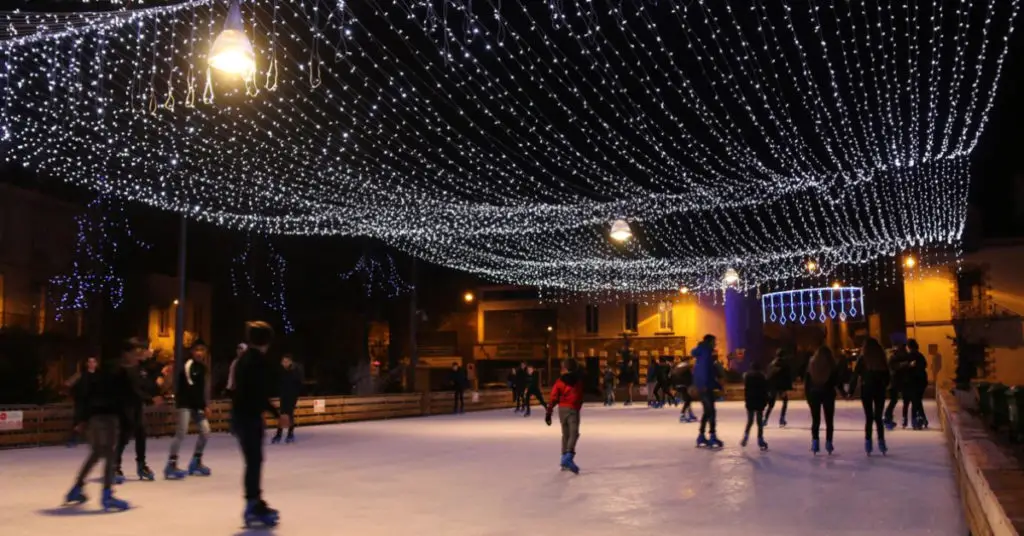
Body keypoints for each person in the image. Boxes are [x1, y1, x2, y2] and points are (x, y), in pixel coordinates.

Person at [232, 321, 287, 527]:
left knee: (253, 461)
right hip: (249, 418)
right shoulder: (257, 362)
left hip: (241, 416)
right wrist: (276, 413)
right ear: (267, 341)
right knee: (254, 461)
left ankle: (253, 501)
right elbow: (258, 393)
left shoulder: (243, 360)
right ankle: (252, 504)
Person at [64, 349, 132, 511]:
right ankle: (107, 493)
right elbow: (123, 399)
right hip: (107, 418)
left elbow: (83, 399)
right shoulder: (118, 376)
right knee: (109, 454)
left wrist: (82, 420)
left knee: (97, 453)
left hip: (93, 418)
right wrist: (126, 422)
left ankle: (77, 487)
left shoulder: (94, 377)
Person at [115, 338, 163, 482]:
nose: (141, 352)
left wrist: (157, 389)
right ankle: (115, 465)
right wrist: (150, 398)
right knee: (124, 435)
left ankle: (141, 464)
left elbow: (147, 384)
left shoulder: (140, 368)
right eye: (138, 349)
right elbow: (132, 389)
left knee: (141, 433)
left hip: (136, 406)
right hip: (124, 406)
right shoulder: (123, 369)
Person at [165, 342, 213, 479]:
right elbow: (191, 389)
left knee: (206, 431)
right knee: (181, 432)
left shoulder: (203, 368)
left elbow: (202, 390)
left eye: (202, 350)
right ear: (192, 352)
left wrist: (205, 404)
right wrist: (203, 406)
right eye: (196, 350)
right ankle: (171, 464)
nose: (199, 352)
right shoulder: (188, 365)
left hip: (197, 405)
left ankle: (196, 461)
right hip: (185, 403)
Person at [849, 338, 890, 455]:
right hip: (879, 389)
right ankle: (881, 442)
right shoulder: (881, 359)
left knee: (869, 417)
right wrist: (885, 385)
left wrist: (850, 391)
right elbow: (887, 375)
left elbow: (855, 375)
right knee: (878, 417)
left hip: (866, 389)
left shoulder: (862, 359)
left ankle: (868, 443)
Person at [544, 358, 585, 474]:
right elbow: (581, 394)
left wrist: (548, 412)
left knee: (566, 434)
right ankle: (568, 456)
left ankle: (563, 459)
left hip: (562, 409)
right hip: (573, 409)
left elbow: (553, 397)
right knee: (574, 433)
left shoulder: (560, 381)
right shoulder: (578, 380)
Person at [805, 346, 844, 455]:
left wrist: (808, 396)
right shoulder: (831, 364)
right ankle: (829, 442)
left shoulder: (811, 364)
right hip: (828, 394)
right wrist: (844, 393)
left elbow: (807, 382)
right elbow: (836, 381)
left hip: (814, 394)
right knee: (829, 420)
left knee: (815, 420)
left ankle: (815, 442)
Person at [693, 335, 723, 448]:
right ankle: (712, 436)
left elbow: (706, 371)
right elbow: (705, 371)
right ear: (709, 342)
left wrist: (716, 385)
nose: (715, 344)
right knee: (711, 411)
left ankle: (701, 435)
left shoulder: (703, 353)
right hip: (705, 387)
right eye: (714, 341)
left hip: (704, 386)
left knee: (707, 411)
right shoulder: (706, 354)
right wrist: (706, 384)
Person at [66, 356, 99, 447]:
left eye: (93, 362)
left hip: (94, 403)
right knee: (79, 422)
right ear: (87, 364)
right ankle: (73, 439)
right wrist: (72, 394)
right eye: (90, 362)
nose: (92, 364)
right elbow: (68, 383)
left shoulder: (99, 376)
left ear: (96, 364)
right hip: (82, 402)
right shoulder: (80, 374)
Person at [273, 354, 304, 442]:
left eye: (286, 361)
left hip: (292, 395)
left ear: (290, 362)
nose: (284, 363)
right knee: (283, 414)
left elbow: (299, 382)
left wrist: (295, 393)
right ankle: (279, 434)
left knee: (289, 414)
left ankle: (290, 434)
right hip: (284, 395)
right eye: (283, 362)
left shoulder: (295, 370)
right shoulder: (281, 371)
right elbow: (279, 382)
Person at [741, 360, 770, 450]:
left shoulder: (747, 376)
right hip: (759, 401)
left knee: (750, 421)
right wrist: (765, 401)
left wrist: (746, 400)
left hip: (750, 401)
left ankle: (745, 436)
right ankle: (760, 439)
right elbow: (765, 390)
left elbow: (746, 390)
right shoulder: (762, 377)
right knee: (759, 422)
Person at [763, 349, 792, 427]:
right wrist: (787, 388)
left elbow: (768, 376)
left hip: (773, 387)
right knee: (785, 402)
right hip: (781, 387)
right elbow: (787, 377)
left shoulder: (772, 364)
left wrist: (768, 388)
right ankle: (782, 418)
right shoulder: (785, 365)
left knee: (771, 404)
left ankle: (765, 419)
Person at [905, 339, 929, 429]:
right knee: (918, 401)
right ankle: (923, 419)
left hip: (913, 382)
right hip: (921, 381)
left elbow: (907, 369)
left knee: (915, 402)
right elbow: (925, 365)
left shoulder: (910, 356)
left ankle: (915, 420)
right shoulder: (920, 355)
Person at [884, 343, 909, 429]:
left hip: (895, 382)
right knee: (893, 400)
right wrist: (905, 364)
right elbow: (895, 367)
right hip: (893, 383)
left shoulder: (897, 357)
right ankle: (887, 417)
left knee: (894, 400)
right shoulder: (893, 358)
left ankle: (888, 417)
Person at [671, 358, 696, 422]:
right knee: (688, 400)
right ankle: (682, 415)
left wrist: (674, 387)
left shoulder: (677, 367)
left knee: (687, 400)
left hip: (678, 385)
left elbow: (672, 376)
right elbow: (689, 377)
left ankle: (690, 414)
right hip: (684, 385)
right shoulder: (687, 367)